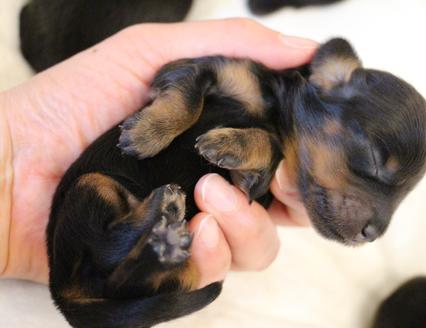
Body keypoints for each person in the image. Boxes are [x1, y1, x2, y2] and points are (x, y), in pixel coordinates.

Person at [0, 19, 317, 287]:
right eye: (367, 167)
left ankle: (145, 269)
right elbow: (196, 74)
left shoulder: (278, 148)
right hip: (105, 198)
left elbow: (256, 184)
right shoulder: (256, 80)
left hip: (102, 221)